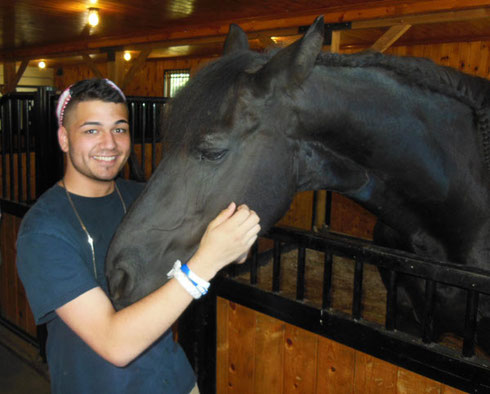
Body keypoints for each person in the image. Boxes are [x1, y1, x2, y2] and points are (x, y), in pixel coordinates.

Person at [16, 78, 260, 393]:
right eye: (91, 130)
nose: (109, 143)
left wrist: (235, 242)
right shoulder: (43, 229)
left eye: (119, 129)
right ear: (64, 139)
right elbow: (114, 343)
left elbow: (224, 251)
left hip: (176, 381)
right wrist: (205, 263)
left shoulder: (144, 198)